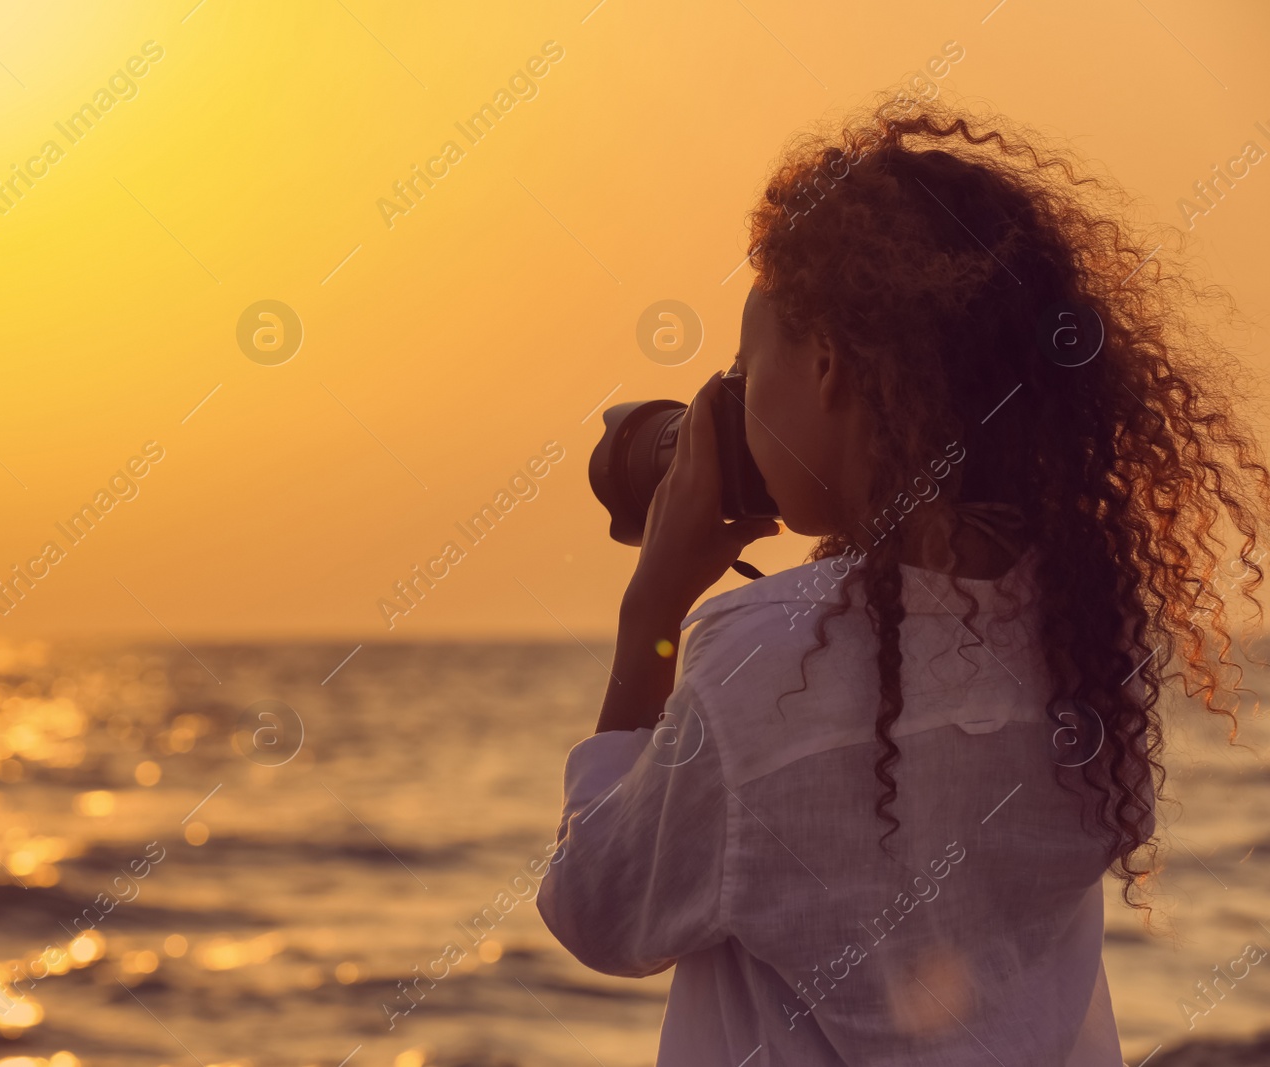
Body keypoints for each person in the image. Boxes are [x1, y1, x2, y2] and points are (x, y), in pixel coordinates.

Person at [536, 97, 1270, 1065]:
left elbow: (598, 901)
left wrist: (654, 611)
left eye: (750, 363)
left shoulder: (758, 663)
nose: (733, 396)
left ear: (828, 365)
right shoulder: (1088, 640)